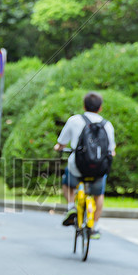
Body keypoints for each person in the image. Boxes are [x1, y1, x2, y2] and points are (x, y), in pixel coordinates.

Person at [53, 91, 116, 239]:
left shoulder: (74, 120)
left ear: (84, 106)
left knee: (67, 183)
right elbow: (111, 150)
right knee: (98, 194)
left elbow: (61, 143)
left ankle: (71, 207)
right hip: (98, 170)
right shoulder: (107, 125)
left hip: (77, 167)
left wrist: (58, 148)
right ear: (100, 108)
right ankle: (94, 225)